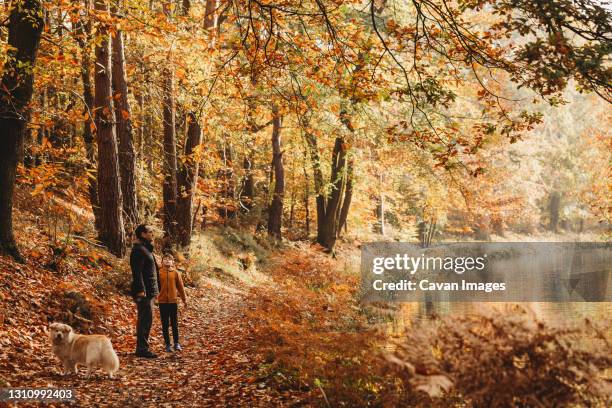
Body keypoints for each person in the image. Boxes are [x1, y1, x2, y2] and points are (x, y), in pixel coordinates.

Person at [130, 224, 160, 358]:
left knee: (148, 319)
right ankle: (141, 349)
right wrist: (141, 290)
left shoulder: (146, 249)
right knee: (144, 320)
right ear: (142, 234)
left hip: (150, 291)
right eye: (150, 231)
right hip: (144, 291)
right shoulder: (138, 250)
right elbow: (137, 272)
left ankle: (142, 347)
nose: (152, 233)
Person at [157, 254, 187, 352]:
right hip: (162, 302)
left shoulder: (176, 273)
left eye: (169, 259)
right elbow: (155, 286)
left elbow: (181, 287)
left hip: (173, 301)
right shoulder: (159, 273)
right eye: (165, 259)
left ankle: (176, 343)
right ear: (162, 262)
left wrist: (184, 299)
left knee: (174, 323)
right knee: (165, 323)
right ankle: (167, 344)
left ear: (173, 262)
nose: (167, 261)